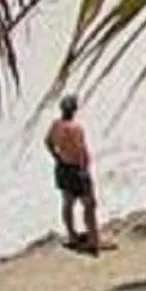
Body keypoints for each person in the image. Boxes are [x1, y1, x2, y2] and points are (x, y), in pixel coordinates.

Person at [46, 93, 103, 251]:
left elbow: (48, 142)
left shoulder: (56, 125)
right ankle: (93, 239)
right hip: (77, 169)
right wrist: (84, 169)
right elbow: (80, 150)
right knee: (89, 204)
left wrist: (56, 156)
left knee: (68, 203)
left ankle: (72, 235)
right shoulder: (76, 128)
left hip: (63, 167)